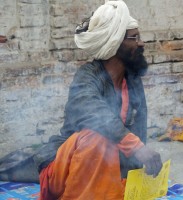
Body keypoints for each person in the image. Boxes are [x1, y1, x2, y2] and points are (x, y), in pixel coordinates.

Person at [34, 0, 163, 199]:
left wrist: (140, 166)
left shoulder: (132, 80)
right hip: (62, 170)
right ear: (115, 42)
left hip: (105, 172)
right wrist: (136, 147)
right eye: (134, 37)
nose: (141, 43)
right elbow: (95, 115)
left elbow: (138, 134)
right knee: (97, 136)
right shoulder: (87, 76)